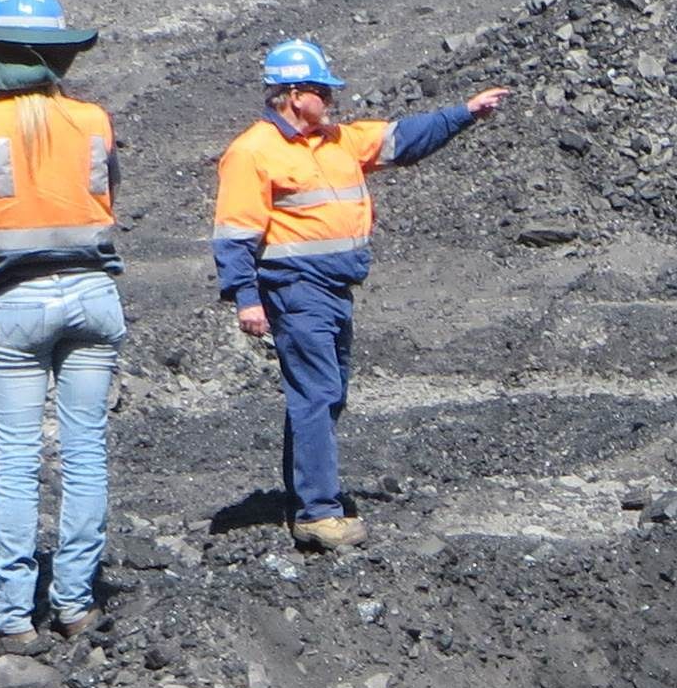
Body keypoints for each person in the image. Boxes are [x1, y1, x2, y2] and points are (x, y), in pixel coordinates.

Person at [209, 39, 506, 551]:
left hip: (334, 289)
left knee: (324, 394)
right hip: (295, 289)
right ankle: (318, 513)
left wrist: (465, 113)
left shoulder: (337, 140)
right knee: (317, 393)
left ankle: (304, 498)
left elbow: (402, 138)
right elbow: (235, 232)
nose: (332, 99)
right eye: (323, 90)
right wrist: (246, 297)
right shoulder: (253, 151)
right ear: (294, 94)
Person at [0, 0, 124, 654]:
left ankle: (11, 615)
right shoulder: (93, 120)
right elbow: (105, 193)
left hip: (17, 301)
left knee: (16, 463)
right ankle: (75, 602)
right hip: (94, 295)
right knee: (85, 452)